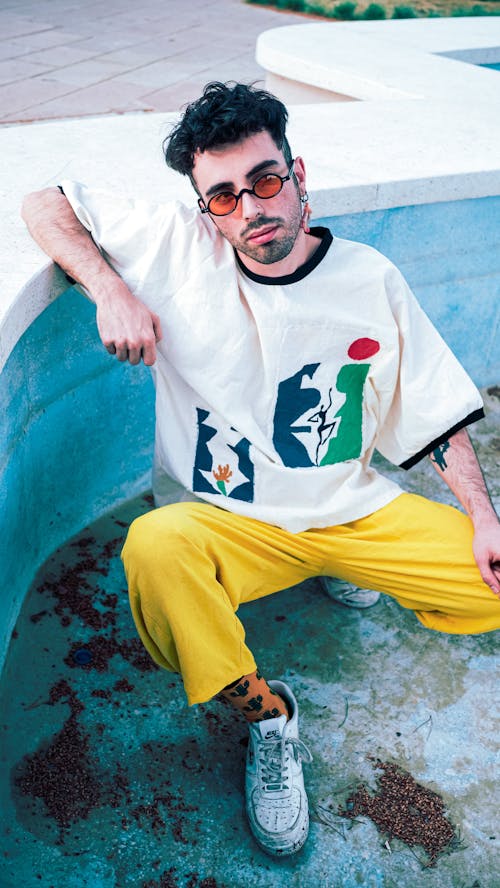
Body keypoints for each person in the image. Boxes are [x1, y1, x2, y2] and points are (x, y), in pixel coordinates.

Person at [22, 81, 500, 858]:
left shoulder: (369, 278)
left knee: (491, 576)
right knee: (153, 549)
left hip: (354, 509)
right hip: (231, 520)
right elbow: (45, 201)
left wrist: (482, 517)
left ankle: (348, 568)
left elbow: (437, 415)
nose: (251, 209)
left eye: (266, 180)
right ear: (204, 206)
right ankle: (271, 719)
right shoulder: (181, 249)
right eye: (223, 196)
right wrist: (108, 287)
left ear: (298, 173)